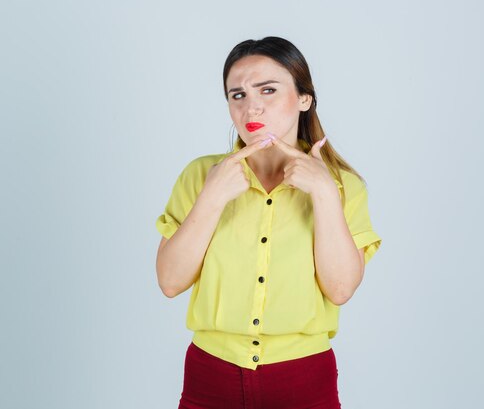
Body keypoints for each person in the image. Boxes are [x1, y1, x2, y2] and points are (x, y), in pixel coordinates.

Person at [155, 36, 382, 409]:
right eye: (237, 95)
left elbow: (340, 289)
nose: (251, 106)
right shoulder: (200, 176)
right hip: (210, 374)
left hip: (304, 377)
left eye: (268, 89)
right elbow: (169, 281)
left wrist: (324, 195)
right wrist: (212, 198)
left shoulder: (343, 186)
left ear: (304, 99)